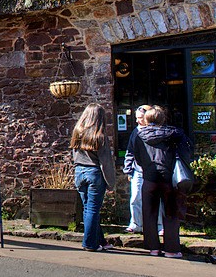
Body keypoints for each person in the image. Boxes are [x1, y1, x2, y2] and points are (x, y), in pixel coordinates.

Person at [127, 105, 192, 259]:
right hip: (169, 178)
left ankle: (153, 248)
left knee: (149, 213)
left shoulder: (139, 135)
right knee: (170, 213)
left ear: (147, 119)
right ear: (163, 119)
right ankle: (171, 248)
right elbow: (187, 151)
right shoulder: (174, 133)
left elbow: (137, 156)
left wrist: (147, 168)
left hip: (149, 177)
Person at [70, 103, 116, 252]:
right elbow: (106, 163)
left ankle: (100, 240)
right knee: (92, 209)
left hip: (79, 172)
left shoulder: (77, 132)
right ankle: (90, 243)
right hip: (94, 173)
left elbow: (74, 155)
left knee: (88, 209)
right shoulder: (100, 136)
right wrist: (111, 183)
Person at [123, 105, 164, 234]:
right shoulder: (136, 132)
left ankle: (159, 225)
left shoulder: (159, 131)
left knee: (157, 198)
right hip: (138, 170)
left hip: (155, 170)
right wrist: (128, 169)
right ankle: (136, 224)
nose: (137, 121)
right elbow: (130, 151)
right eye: (136, 118)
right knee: (135, 197)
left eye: (140, 118)